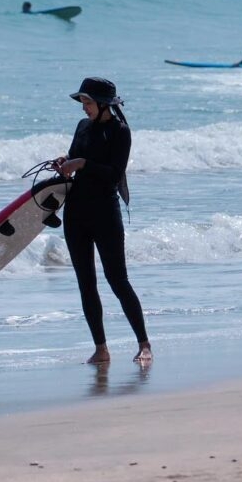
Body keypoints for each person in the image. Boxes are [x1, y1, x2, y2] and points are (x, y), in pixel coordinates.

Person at [55, 77, 152, 365]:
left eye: (87, 102)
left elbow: (113, 174)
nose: (83, 108)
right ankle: (101, 348)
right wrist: (66, 162)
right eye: (82, 102)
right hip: (76, 214)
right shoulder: (83, 127)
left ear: (103, 103)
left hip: (105, 214)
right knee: (86, 283)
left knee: (118, 280)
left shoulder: (120, 132)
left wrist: (83, 163)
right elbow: (75, 158)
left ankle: (144, 344)